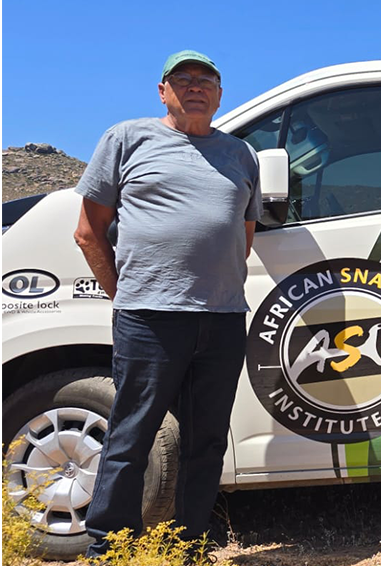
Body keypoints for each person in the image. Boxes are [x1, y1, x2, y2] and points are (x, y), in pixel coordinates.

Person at [72, 50, 261, 559]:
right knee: (132, 433)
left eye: (206, 80)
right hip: (149, 318)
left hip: (221, 319)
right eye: (183, 79)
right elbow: (89, 233)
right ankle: (108, 544)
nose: (195, 86)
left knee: (207, 439)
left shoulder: (242, 155)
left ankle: (190, 542)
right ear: (163, 91)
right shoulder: (127, 139)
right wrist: (126, 296)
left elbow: (242, 235)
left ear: (220, 95)